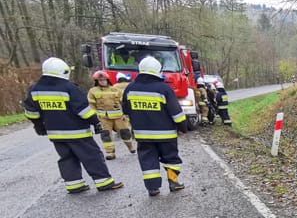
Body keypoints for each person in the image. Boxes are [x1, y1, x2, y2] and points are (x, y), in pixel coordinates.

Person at [21, 57, 123, 193]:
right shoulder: (68, 88)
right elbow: (83, 110)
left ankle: (74, 185)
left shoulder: (34, 89)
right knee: (92, 155)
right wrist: (95, 122)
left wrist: (39, 125)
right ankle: (103, 182)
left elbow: (31, 111)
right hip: (77, 132)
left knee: (66, 158)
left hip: (55, 133)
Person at [122, 56, 187, 196]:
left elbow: (126, 111)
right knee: (171, 158)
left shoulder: (130, 88)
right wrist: (183, 128)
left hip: (142, 135)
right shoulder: (164, 88)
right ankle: (174, 182)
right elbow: (176, 113)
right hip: (166, 135)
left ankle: (153, 188)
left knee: (147, 160)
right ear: (158, 70)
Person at [87, 70, 135, 159]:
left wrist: (125, 114)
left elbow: (123, 103)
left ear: (107, 80)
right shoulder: (93, 91)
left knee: (125, 133)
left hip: (118, 117)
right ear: (96, 81)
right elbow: (91, 105)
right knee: (106, 135)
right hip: (103, 118)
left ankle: (130, 147)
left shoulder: (115, 89)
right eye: (100, 80)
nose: (102, 81)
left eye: (104, 79)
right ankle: (110, 153)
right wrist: (95, 118)